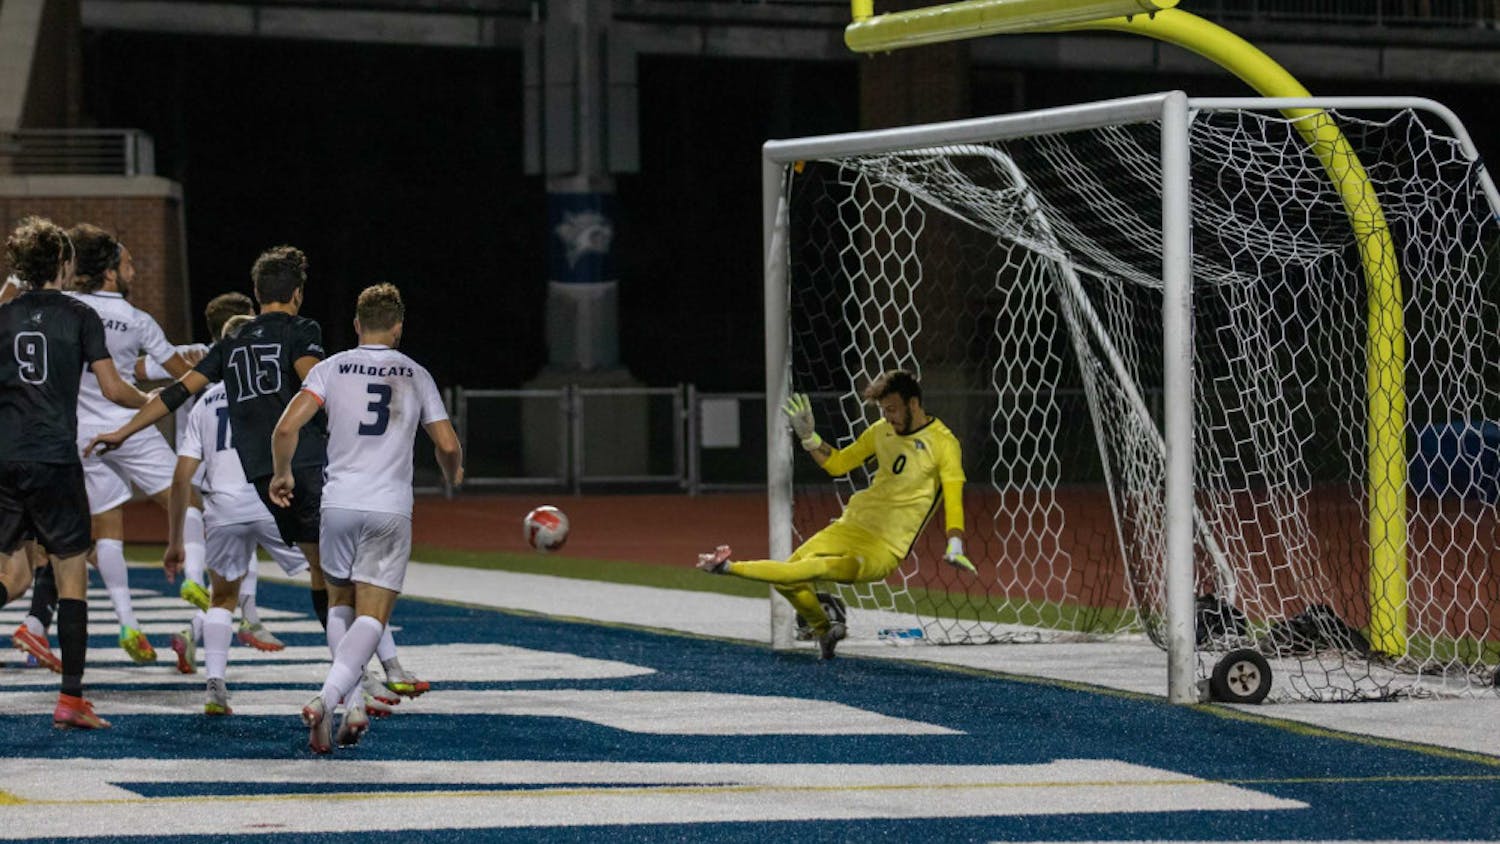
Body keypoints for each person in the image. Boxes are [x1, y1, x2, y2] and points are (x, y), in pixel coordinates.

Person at [84, 246, 336, 635]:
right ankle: (358, 671)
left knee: (322, 569)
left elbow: (175, 392)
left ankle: (349, 667)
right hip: (304, 462)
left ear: (257, 291)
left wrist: (123, 431)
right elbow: (317, 385)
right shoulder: (303, 330)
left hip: (259, 475)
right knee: (345, 574)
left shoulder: (229, 344)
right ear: (298, 293)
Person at [271, 283, 461, 752]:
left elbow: (286, 427)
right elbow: (448, 444)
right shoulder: (415, 374)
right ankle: (328, 698)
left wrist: (282, 475)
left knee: (339, 603)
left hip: (338, 503)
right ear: (398, 327)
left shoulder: (330, 367)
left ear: (357, 324)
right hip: (388, 507)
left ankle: (352, 701)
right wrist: (453, 474)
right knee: (373, 616)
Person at [695, 369, 974, 659]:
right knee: (785, 579)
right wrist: (809, 437)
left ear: (913, 404)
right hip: (849, 526)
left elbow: (953, 497)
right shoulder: (881, 431)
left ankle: (727, 567)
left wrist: (955, 543)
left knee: (812, 570)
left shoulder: (943, 443)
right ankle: (824, 629)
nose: (888, 416)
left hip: (884, 547)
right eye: (883, 410)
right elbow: (839, 464)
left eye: (892, 409)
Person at [0, 216, 149, 728]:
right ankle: (71, 698)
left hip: (4, 456)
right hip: (55, 457)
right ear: (64, 264)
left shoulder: (2, 314)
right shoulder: (80, 314)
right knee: (70, 571)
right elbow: (112, 388)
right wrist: (152, 402)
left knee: (13, 576)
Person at [163, 313, 312, 713]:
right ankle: (359, 680)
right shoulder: (269, 389)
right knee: (334, 580)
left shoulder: (203, 402)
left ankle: (215, 686)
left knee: (220, 598)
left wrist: (177, 539)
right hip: (271, 496)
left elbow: (182, 477)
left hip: (222, 506)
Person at [64, 223, 199, 664]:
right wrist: (207, 356)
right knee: (190, 503)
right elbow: (182, 372)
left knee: (107, 528)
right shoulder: (137, 318)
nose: (134, 272)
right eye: (128, 264)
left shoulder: (67, 309)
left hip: (80, 432)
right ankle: (192, 577)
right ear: (108, 272)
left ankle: (128, 623)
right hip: (131, 423)